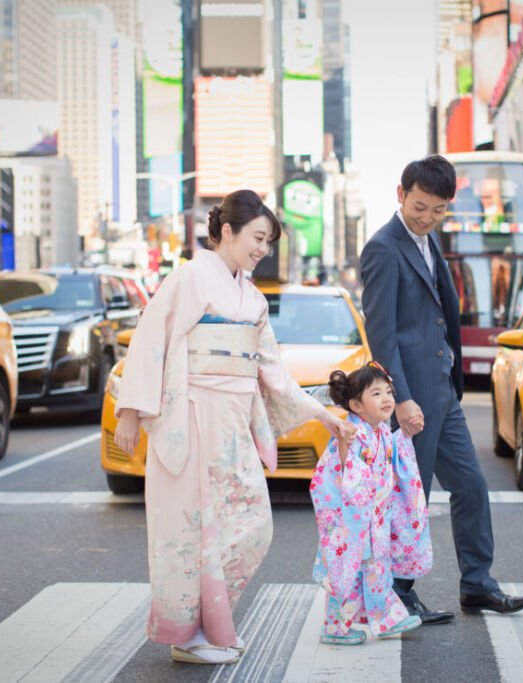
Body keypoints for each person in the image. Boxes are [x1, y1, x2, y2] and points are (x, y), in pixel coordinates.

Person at [113, 189, 354, 665]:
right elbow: (151, 337)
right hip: (194, 415)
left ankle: (213, 624)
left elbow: (274, 373)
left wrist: (326, 415)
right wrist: (130, 410)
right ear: (228, 231)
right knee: (194, 527)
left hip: (233, 423)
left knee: (251, 525)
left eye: (269, 241)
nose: (263, 249)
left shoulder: (251, 297)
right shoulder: (190, 278)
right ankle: (190, 635)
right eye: (258, 238)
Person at [360, 155, 523, 625]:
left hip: (443, 393)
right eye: (420, 207)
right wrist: (401, 398)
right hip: (410, 397)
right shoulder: (382, 248)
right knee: (407, 498)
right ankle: (398, 593)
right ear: (401, 193)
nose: (428, 218)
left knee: (472, 488)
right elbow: (383, 334)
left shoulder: (429, 242)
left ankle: (477, 584)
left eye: (438, 210)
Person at [309, 363, 430, 645]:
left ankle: (385, 618)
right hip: (352, 521)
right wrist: (343, 443)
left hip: (376, 518)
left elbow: (398, 460)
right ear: (356, 405)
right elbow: (339, 469)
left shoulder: (382, 432)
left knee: (378, 569)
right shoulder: (351, 432)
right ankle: (335, 627)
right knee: (348, 571)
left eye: (388, 392)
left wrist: (408, 434)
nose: (387, 398)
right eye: (376, 394)